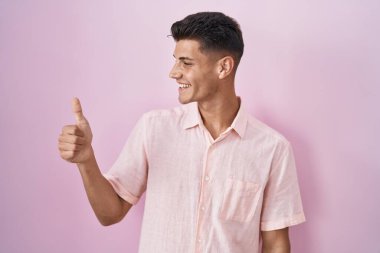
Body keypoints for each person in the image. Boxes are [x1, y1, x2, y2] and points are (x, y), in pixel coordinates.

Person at [58, 12, 305, 253]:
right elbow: (109, 214)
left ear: (224, 67)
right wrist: (86, 160)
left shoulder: (272, 148)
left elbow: (275, 244)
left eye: (186, 63)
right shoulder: (153, 128)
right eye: (176, 60)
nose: (174, 72)